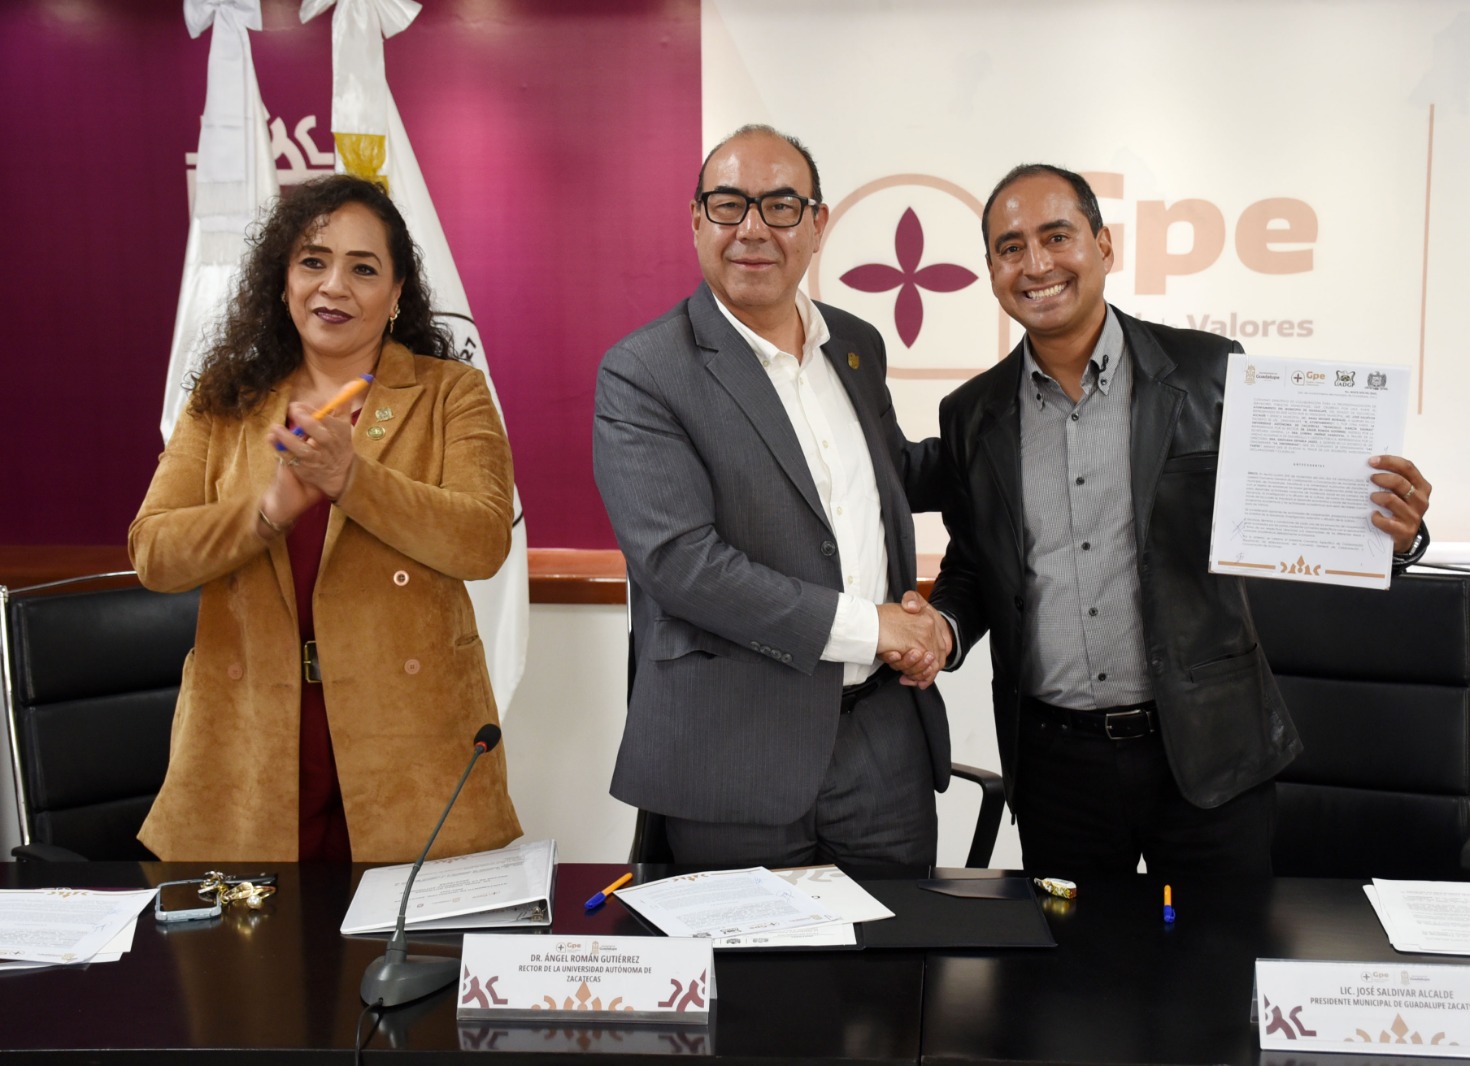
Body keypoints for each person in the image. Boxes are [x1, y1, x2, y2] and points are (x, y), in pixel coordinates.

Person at [927, 164, 1433, 879]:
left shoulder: (1210, 372)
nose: (1035, 264)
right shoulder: (971, 415)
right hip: (1055, 767)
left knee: (1221, 949)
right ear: (991, 271)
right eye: (1011, 248)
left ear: (1104, 246)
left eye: (1057, 236)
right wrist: (942, 628)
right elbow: (976, 563)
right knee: (1075, 955)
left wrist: (1390, 533)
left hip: (1206, 750)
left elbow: (1298, 504)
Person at [130, 174, 522, 863]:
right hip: (249, 742)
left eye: (363, 269)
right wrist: (266, 513)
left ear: (397, 294)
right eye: (313, 261)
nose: (333, 286)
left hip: (410, 745)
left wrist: (352, 481)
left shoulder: (450, 393)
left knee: (406, 933)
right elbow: (154, 554)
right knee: (253, 936)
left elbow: (482, 540)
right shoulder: (224, 400)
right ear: (283, 281)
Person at [592, 125, 952, 867]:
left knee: (900, 943)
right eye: (728, 205)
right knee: (751, 951)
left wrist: (1010, 429)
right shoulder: (644, 371)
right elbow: (681, 564)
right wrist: (873, 627)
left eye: (781, 206)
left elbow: (883, 479)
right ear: (696, 220)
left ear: (817, 224)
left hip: (884, 747)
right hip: (734, 755)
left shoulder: (854, 344)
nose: (753, 229)